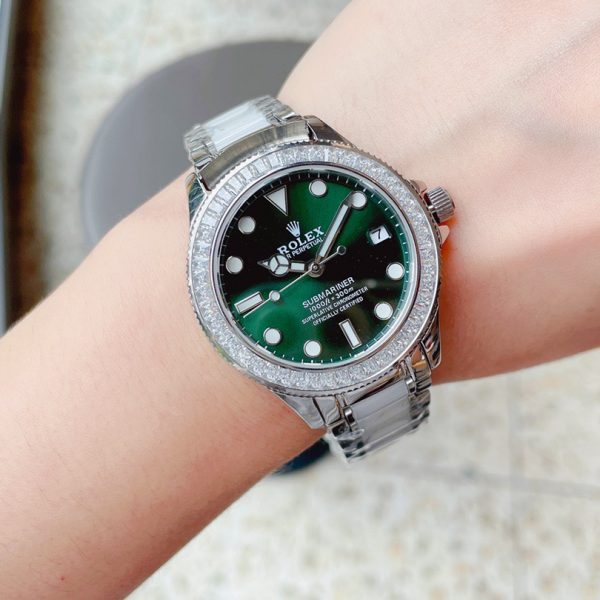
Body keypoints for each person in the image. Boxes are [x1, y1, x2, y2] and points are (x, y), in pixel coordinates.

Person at [1, 0, 599, 596]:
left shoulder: (381, 216)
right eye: (310, 267)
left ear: (427, 209)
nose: (315, 268)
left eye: (318, 263)